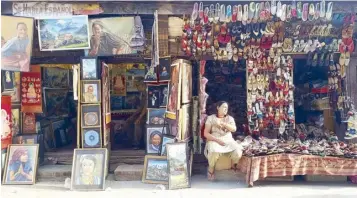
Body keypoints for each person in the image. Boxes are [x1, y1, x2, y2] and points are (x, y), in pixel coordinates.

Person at [203, 101, 243, 181]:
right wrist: (217, 140)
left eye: (227, 108)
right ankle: (211, 169)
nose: (226, 109)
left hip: (228, 140)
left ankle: (233, 165)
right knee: (213, 151)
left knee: (238, 152)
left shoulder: (230, 118)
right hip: (214, 139)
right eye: (224, 107)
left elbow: (234, 129)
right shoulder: (211, 118)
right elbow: (206, 134)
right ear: (218, 108)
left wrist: (224, 124)